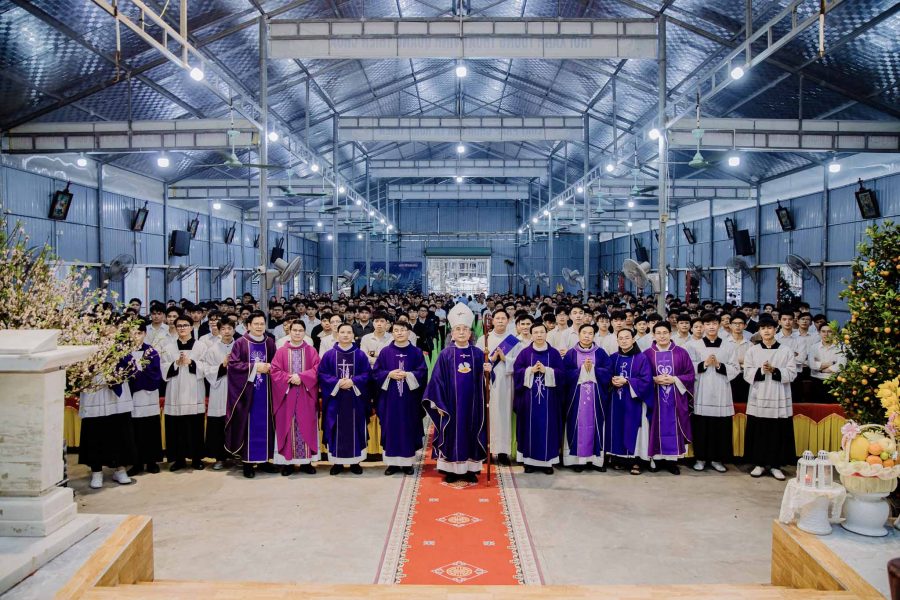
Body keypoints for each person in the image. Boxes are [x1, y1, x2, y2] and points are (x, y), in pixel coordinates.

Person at [423, 303, 489, 484]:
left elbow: (487, 380)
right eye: (458, 329)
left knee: (471, 431)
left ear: (470, 333)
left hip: (473, 404)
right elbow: (437, 380)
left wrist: (488, 371)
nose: (461, 332)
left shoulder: (478, 354)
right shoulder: (445, 354)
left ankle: (470, 469)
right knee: (452, 433)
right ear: (452, 333)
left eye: (465, 329)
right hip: (450, 405)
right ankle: (450, 469)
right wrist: (439, 404)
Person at [743, 314, 797, 480]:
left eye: (769, 328)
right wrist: (761, 370)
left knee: (777, 432)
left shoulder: (785, 350)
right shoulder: (752, 350)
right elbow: (747, 373)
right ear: (759, 331)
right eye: (763, 328)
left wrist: (775, 370)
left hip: (778, 394)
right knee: (759, 431)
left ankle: (775, 465)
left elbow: (792, 373)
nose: (766, 331)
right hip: (759, 395)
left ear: (775, 329)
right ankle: (758, 464)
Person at [225, 311, 277, 478]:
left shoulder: (270, 343)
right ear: (248, 325)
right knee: (248, 425)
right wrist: (255, 367)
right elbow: (233, 366)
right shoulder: (241, 343)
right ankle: (248, 463)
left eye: (262, 324)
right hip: (247, 393)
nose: (259, 327)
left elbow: (277, 364)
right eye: (256, 324)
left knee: (267, 424)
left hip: (267, 393)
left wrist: (271, 368)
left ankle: (265, 460)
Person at [79, 341, 137, 489]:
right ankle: (96, 471)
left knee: (119, 431)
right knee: (94, 432)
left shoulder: (121, 344)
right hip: (94, 390)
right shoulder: (86, 342)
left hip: (115, 395)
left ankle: (120, 469)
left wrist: (116, 374)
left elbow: (131, 366)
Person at [687, 313, 739, 473]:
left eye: (714, 323)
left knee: (720, 428)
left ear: (719, 325)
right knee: (702, 427)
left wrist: (719, 365)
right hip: (702, 390)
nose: (711, 327)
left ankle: (717, 459)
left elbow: (735, 368)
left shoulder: (729, 346)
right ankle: (700, 458)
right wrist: (704, 364)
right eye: (708, 324)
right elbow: (688, 368)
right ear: (703, 326)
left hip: (721, 391)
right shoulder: (693, 346)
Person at [374, 320, 427, 475]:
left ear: (408, 332)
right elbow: (376, 373)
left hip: (410, 400)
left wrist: (408, 375)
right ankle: (392, 464)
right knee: (391, 427)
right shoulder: (385, 352)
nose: (399, 333)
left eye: (403, 330)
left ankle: (408, 463)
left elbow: (423, 373)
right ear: (392, 333)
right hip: (390, 399)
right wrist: (389, 374)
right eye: (396, 330)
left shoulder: (416, 352)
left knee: (408, 427)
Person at [319, 323, 372, 475]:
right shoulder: (329, 355)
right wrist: (337, 383)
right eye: (342, 332)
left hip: (355, 400)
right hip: (335, 400)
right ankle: (337, 462)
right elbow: (322, 374)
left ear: (353, 335)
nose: (346, 335)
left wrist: (353, 381)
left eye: (349, 332)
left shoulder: (360, 355)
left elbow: (367, 374)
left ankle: (356, 462)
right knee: (336, 428)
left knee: (356, 427)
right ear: (337, 334)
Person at [642, 322, 694, 475]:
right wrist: (654, 379)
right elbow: (641, 376)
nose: (662, 336)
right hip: (655, 399)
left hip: (675, 398)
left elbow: (690, 375)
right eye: (658, 333)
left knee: (674, 427)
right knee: (654, 426)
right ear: (653, 335)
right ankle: (656, 460)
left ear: (670, 334)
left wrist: (675, 379)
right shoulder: (647, 354)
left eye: (665, 332)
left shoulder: (681, 353)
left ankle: (672, 462)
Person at [513, 321, 565, 474]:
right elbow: (517, 372)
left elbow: (562, 375)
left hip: (550, 402)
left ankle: (547, 463)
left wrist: (547, 371)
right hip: (529, 402)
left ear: (546, 333)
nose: (539, 335)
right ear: (531, 335)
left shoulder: (554, 353)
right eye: (535, 332)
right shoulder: (525, 353)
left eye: (542, 332)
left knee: (548, 429)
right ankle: (529, 462)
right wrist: (530, 371)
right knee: (529, 428)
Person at [271, 320, 321, 476]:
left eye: (300, 330)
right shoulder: (281, 351)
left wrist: (302, 377)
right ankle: (288, 463)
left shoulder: (311, 351)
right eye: (295, 330)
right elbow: (274, 371)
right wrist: (290, 378)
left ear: (305, 332)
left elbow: (317, 369)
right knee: (288, 426)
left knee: (306, 425)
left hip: (306, 396)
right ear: (289, 331)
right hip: (287, 396)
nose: (297, 333)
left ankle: (306, 462)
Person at [562, 323, 612, 472]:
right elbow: (564, 374)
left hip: (596, 396)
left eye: (590, 333)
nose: (587, 336)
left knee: (596, 425)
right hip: (576, 397)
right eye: (584, 333)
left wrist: (594, 369)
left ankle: (595, 461)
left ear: (594, 335)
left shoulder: (601, 353)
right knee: (576, 425)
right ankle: (578, 461)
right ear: (579, 334)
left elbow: (608, 372)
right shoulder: (571, 353)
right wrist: (582, 370)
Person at [161, 314, 208, 471]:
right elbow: (163, 367)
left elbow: (206, 367)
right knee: (176, 428)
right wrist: (175, 363)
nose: (182, 328)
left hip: (194, 390)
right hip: (175, 391)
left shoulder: (201, 346)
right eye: (179, 326)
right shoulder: (168, 347)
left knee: (195, 426)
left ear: (191, 327)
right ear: (175, 328)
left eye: (185, 325)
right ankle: (179, 459)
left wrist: (191, 362)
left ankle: (196, 458)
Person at [475, 308, 520, 465]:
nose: (500, 321)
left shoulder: (513, 341)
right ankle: (487, 449)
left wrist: (505, 358)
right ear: (492, 321)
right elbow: (477, 361)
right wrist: (490, 361)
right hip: (488, 382)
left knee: (504, 416)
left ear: (508, 321)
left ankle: (502, 452)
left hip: (506, 382)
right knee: (488, 415)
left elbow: (519, 363)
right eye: (497, 318)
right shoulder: (484, 339)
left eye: (503, 318)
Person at [607, 328, 654, 475]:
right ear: (617, 341)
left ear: (633, 340)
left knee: (635, 430)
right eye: (620, 338)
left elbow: (647, 381)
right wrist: (611, 381)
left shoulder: (642, 358)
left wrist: (627, 381)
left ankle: (636, 461)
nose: (624, 341)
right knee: (617, 428)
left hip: (635, 402)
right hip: (616, 401)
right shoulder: (613, 357)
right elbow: (606, 376)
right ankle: (619, 459)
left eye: (627, 338)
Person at [126, 322, 163, 476]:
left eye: (139, 333)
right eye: (133, 333)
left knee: (150, 429)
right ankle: (137, 463)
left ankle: (152, 461)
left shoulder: (151, 352)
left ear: (144, 334)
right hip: (132, 397)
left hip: (148, 396)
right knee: (135, 430)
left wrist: (137, 378)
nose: (136, 336)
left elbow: (155, 375)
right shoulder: (125, 352)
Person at [201, 317, 237, 470]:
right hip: (219, 389)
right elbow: (207, 370)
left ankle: (237, 455)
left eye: (229, 328)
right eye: (223, 329)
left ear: (234, 329)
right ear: (218, 330)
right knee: (218, 425)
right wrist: (222, 366)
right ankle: (220, 457)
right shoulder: (212, 349)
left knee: (237, 423)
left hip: (237, 390)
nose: (227, 331)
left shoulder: (240, 346)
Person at [808, 323, 845, 403]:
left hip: (835, 383)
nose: (826, 334)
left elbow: (841, 366)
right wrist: (832, 363)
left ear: (834, 333)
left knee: (833, 408)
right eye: (823, 331)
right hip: (816, 382)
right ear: (819, 333)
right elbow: (812, 365)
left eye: (829, 331)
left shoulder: (841, 347)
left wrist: (821, 368)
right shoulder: (813, 347)